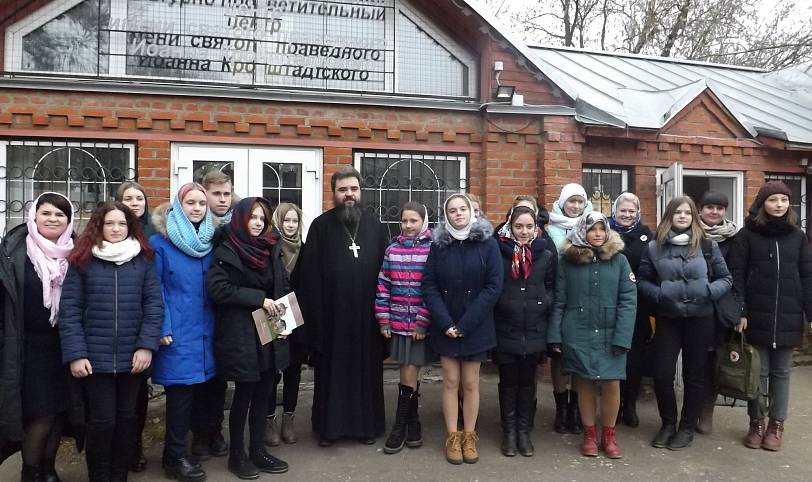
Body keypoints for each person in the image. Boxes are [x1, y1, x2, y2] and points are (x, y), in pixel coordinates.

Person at [59, 201, 163, 482]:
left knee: (127, 421)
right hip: (95, 360)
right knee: (102, 423)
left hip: (133, 359)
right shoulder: (82, 261)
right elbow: (70, 311)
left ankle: (119, 476)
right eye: (109, 223)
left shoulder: (143, 260)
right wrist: (76, 354)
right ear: (98, 226)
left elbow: (154, 307)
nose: (116, 229)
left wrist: (146, 346)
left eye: (121, 223)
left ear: (130, 226)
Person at [294, 166, 389, 446]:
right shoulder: (320, 227)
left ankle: (366, 428)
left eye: (353, 189)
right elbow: (309, 278)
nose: (349, 194)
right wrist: (315, 323)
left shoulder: (375, 226)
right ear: (333, 193)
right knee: (332, 374)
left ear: (361, 191)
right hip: (331, 317)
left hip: (366, 317)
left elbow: (387, 272)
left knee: (366, 373)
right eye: (342, 189)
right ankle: (329, 430)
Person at [638, 196, 732, 450]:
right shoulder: (654, 248)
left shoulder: (707, 246)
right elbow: (642, 281)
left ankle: (687, 427)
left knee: (695, 375)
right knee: (662, 373)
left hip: (701, 319)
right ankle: (668, 423)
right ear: (669, 216)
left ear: (694, 217)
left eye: (687, 213)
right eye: (677, 212)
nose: (683, 217)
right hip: (669, 318)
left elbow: (725, 278)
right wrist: (660, 294)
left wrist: (708, 292)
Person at [207, 197, 289, 478]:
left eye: (262, 218)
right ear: (241, 218)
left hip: (268, 328)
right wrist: (259, 300)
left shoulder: (270, 247)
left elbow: (280, 284)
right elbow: (219, 290)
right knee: (244, 395)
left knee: (265, 393)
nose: (257, 223)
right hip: (241, 331)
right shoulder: (227, 248)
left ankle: (258, 451)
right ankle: (237, 456)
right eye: (253, 217)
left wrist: (285, 317)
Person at [0, 192, 78, 482]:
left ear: (68, 221)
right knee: (39, 413)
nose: (53, 219)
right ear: (34, 215)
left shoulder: (77, 251)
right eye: (46, 213)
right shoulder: (14, 251)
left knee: (60, 411)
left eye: (60, 215)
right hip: (27, 346)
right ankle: (30, 471)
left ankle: (48, 468)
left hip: (64, 344)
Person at [729, 181, 812, 451]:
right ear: (762, 203)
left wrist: (810, 314)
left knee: (782, 373)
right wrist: (740, 309)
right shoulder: (748, 234)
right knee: (758, 373)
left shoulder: (797, 236)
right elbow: (737, 274)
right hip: (756, 316)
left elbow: (807, 275)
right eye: (773, 200)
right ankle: (757, 424)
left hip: (788, 314)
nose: (779, 205)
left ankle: (776, 425)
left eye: (784, 200)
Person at [548, 212, 636, 459]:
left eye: (601, 229)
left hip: (611, 333)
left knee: (611, 383)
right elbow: (559, 300)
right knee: (584, 381)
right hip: (577, 331)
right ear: (582, 232)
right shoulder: (568, 261)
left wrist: (623, 337)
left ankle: (608, 435)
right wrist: (555, 335)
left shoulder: (620, 261)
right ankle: (588, 434)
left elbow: (629, 301)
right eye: (592, 229)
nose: (597, 234)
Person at [423, 193, 502, 465]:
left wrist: (465, 324)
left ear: (471, 212)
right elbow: (429, 285)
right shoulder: (439, 246)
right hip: (445, 324)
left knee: (470, 382)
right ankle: (452, 436)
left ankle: (469, 435)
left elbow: (493, 287)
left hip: (476, 325)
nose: (458, 214)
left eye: (462, 209)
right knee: (450, 381)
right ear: (446, 216)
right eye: (452, 210)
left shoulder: (487, 244)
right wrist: (445, 323)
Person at [150, 183, 219, 482]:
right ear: (179, 206)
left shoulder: (210, 242)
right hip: (177, 333)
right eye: (190, 203)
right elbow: (155, 288)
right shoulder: (160, 244)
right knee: (180, 397)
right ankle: (174, 457)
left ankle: (193, 446)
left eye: (201, 204)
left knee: (203, 394)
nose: (196, 208)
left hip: (207, 331)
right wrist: (162, 326)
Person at [494, 206, 555, 457]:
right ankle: (509, 432)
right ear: (510, 226)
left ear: (536, 228)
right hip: (506, 327)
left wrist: (544, 302)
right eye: (519, 226)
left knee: (528, 382)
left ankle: (523, 431)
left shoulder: (546, 254)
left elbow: (551, 286)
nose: (524, 231)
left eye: (529, 226)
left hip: (534, 327)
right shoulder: (498, 253)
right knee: (508, 381)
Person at [376, 202, 433, 455]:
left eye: (413, 221)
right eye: (404, 221)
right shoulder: (392, 250)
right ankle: (413, 423)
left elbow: (433, 288)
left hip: (420, 325)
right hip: (398, 322)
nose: (408, 226)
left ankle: (400, 426)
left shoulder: (433, 250)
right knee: (407, 370)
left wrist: (423, 320)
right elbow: (383, 285)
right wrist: (384, 318)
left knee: (409, 370)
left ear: (424, 222)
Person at [546, 183, 593, 434]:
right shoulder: (550, 229)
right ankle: (561, 408)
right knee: (558, 354)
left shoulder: (593, 227)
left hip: (582, 299)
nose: (575, 206)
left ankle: (575, 408)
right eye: (571, 201)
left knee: (578, 354)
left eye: (580, 202)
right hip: (557, 298)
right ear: (562, 202)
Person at [115, 181, 155, 472]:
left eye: (139, 197)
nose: (134, 202)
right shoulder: (108, 230)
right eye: (127, 197)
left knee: (138, 394)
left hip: (142, 324)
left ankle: (134, 447)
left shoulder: (154, 234)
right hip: (110, 326)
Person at [608, 192, 654, 428]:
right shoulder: (604, 232)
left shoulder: (648, 236)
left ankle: (630, 405)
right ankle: (612, 408)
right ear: (614, 211)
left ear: (638, 213)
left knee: (634, 358)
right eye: (622, 210)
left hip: (638, 306)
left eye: (631, 211)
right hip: (609, 305)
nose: (627, 215)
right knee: (613, 357)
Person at [695, 191, 739, 434]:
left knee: (713, 363)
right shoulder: (690, 234)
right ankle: (690, 411)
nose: (714, 212)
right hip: (694, 307)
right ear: (700, 209)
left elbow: (739, 275)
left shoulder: (734, 238)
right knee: (695, 361)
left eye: (720, 208)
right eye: (709, 207)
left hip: (721, 310)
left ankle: (706, 411)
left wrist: (740, 310)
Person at [264, 203, 305, 446]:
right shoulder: (269, 247)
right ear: (278, 222)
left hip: (297, 318)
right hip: (272, 314)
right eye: (286, 220)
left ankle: (288, 418)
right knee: (271, 371)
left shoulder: (305, 249)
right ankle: (269, 420)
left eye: (295, 221)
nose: (290, 225)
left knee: (293, 371)